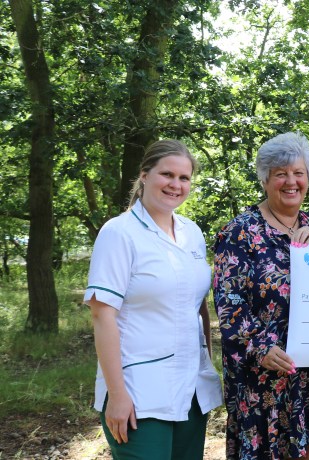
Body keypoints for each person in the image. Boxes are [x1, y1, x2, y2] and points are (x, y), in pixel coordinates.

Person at [213, 132, 309, 460]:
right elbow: (230, 298)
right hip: (265, 372)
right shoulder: (240, 232)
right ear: (265, 180)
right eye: (280, 174)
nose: (291, 182)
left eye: (298, 173)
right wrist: (260, 345)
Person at [85, 140, 222, 459]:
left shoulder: (192, 233)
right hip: (138, 393)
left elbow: (198, 304)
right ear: (144, 175)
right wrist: (117, 396)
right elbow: (102, 316)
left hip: (191, 391)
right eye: (167, 174)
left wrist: (207, 365)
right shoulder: (119, 233)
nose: (175, 184)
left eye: (184, 178)